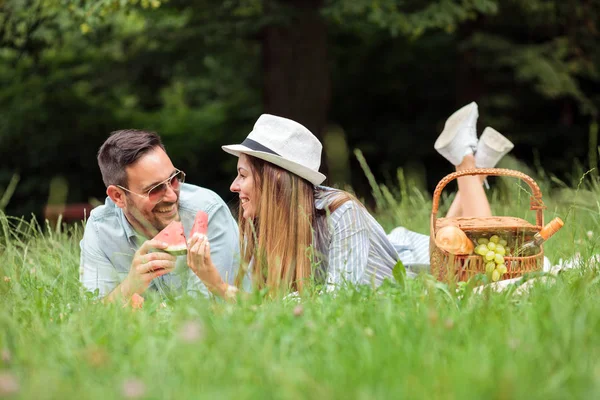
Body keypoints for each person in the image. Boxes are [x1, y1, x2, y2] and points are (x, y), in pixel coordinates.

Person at [184, 104, 515, 297]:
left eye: (242, 175)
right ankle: (473, 164)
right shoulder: (266, 226)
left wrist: (218, 286)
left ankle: (469, 165)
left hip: (422, 279)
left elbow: (338, 302)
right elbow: (264, 309)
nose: (233, 186)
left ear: (274, 182)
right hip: (401, 254)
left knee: (486, 267)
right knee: (451, 249)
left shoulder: (343, 215)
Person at [79, 129, 240, 302]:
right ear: (118, 196)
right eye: (154, 189)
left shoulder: (207, 211)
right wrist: (130, 286)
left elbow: (208, 310)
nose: (172, 196)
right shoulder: (100, 228)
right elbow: (93, 314)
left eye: (173, 179)